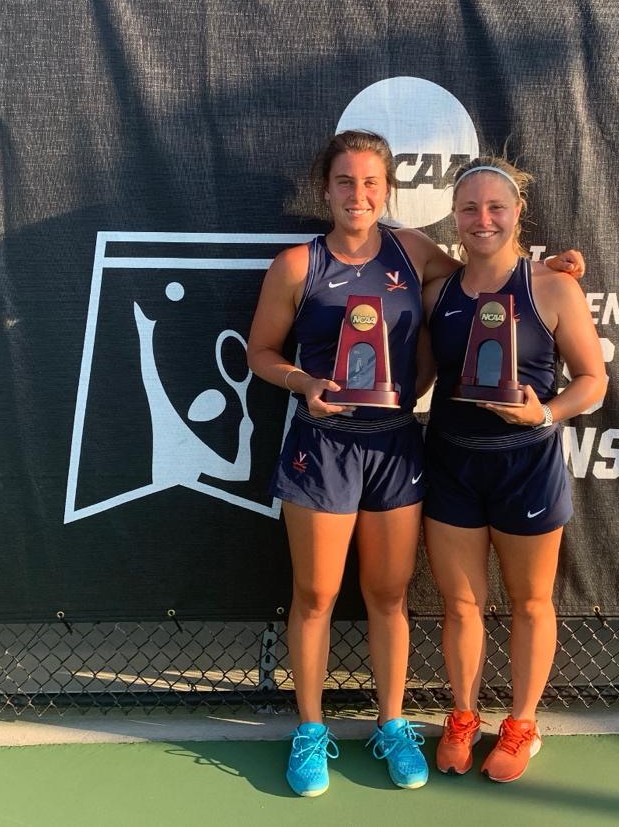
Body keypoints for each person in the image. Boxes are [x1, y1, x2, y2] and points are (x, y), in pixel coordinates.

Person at [246, 131, 584, 797]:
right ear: (326, 189)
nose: (358, 195)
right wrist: (300, 383)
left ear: (388, 191)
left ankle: (392, 722)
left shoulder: (411, 251)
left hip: (398, 444)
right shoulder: (295, 264)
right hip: (323, 446)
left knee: (389, 593)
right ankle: (310, 730)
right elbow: (260, 351)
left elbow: (484, 274)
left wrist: (555, 270)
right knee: (315, 594)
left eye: (371, 183)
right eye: (345, 182)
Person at [422, 156, 607, 783]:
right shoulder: (437, 289)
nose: (482, 219)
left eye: (495, 207)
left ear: (517, 212)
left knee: (530, 603)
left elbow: (593, 380)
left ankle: (522, 724)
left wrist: (545, 414)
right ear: (454, 215)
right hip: (450, 463)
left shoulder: (552, 286)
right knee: (461, 604)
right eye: (469, 208)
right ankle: (464, 715)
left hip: (527, 466)